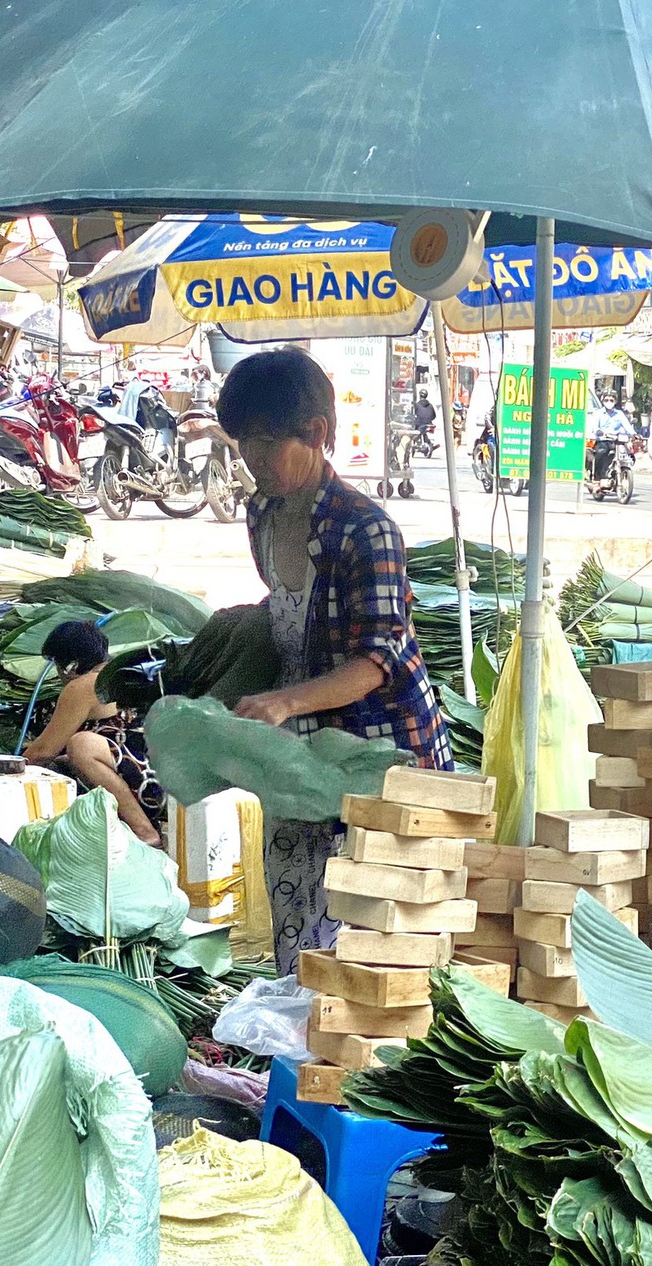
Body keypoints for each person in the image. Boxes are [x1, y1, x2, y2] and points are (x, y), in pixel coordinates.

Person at [218, 347, 453, 973]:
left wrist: (287, 700)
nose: (252, 463)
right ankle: (306, 1061)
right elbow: (286, 610)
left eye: (266, 445)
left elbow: (378, 659)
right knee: (299, 930)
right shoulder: (261, 515)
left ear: (316, 434)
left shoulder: (365, 530)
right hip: (298, 758)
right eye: (242, 445)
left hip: (379, 754)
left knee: (369, 944)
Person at [23, 620, 167, 846]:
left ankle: (144, 831)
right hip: (166, 776)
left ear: (70, 665)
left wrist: (7, 769)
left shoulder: (85, 685)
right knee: (70, 757)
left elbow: (42, 751)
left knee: (82, 745)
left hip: (152, 782)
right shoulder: (120, 674)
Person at [588, 391, 637, 484]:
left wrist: (634, 434)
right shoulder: (598, 413)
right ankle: (598, 475)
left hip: (617, 441)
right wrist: (599, 431)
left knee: (630, 454)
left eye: (611, 400)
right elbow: (595, 427)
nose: (609, 402)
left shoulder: (619, 414)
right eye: (606, 400)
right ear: (602, 401)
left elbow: (627, 427)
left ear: (615, 401)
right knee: (602, 452)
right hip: (603, 440)